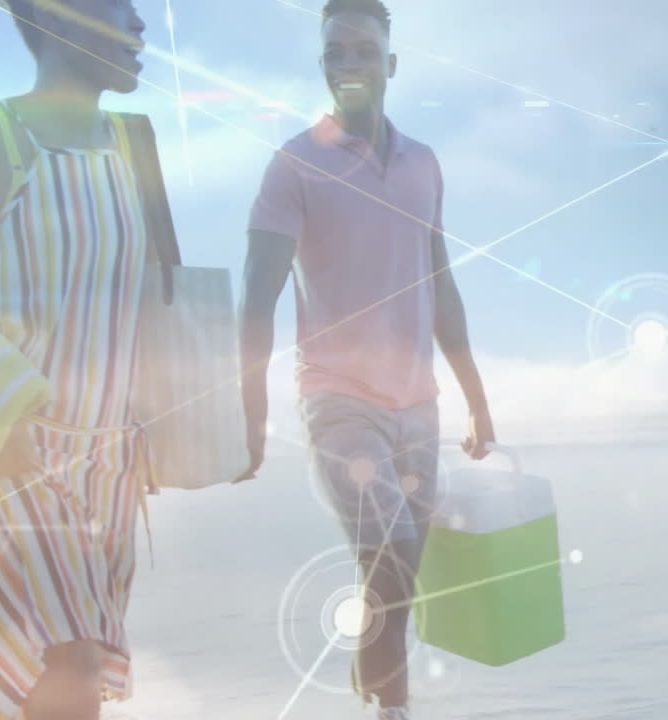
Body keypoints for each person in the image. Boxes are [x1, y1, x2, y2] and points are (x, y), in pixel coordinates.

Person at [239, 0, 496, 717]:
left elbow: (441, 282)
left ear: (391, 63)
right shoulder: (294, 165)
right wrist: (250, 412)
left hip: (419, 405)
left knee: (402, 568)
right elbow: (256, 295)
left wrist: (476, 398)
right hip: (337, 399)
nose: (348, 66)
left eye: (361, 51)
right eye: (334, 54)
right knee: (388, 551)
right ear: (322, 65)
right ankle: (387, 699)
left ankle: (382, 696)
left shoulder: (425, 165)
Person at [0, 0, 153, 717]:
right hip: (16, 460)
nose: (138, 23)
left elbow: (163, 302)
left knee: (71, 679)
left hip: (112, 469)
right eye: (116, 4)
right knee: (64, 664)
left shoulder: (137, 144)